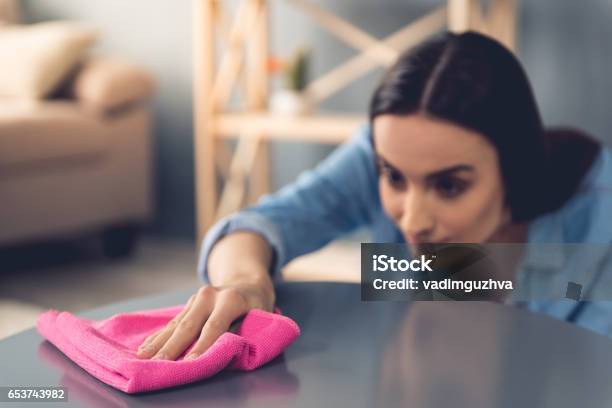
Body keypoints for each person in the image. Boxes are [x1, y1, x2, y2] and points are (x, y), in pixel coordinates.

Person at [137, 31, 612, 362]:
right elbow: (266, 223)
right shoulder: (385, 147)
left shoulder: (599, 219)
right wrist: (243, 281)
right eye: (394, 177)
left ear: (515, 168)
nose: (413, 218)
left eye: (450, 185)